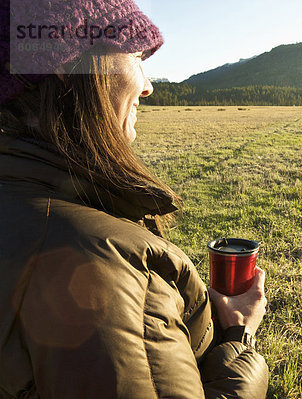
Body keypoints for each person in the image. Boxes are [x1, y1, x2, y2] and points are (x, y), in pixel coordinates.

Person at [0, 0, 269, 398]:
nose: (148, 85)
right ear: (72, 71)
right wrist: (236, 337)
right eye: (136, 55)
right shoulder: (107, 266)